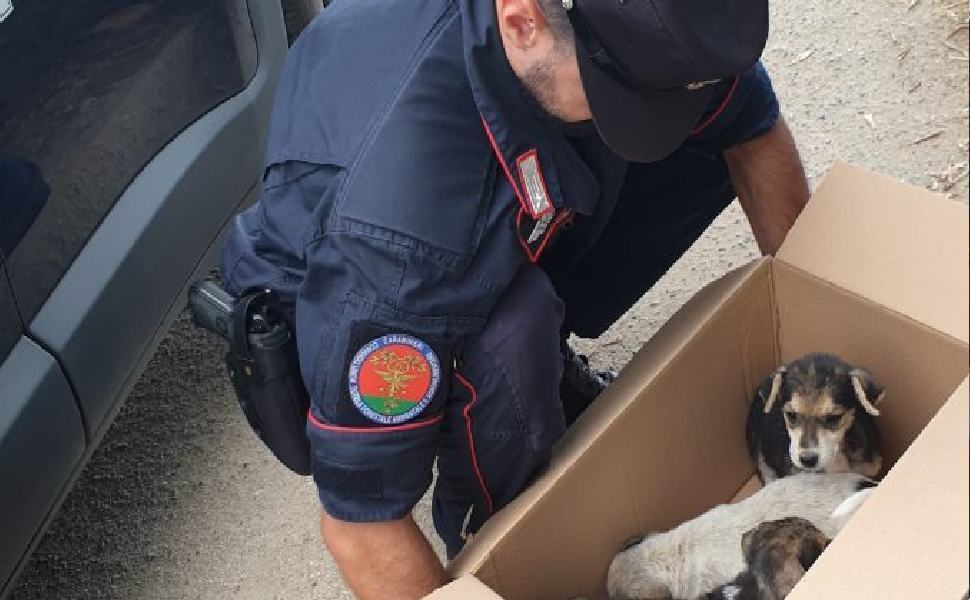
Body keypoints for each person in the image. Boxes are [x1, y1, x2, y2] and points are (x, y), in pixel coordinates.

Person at [219, 0, 810, 597]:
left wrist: (812, 330)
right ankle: (497, 530)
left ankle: (545, 353)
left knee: (687, 141)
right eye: (621, 93)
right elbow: (360, 525)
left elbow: (748, 124)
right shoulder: (398, 243)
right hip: (338, 292)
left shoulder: (628, 32)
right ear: (521, 20)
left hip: (492, 163)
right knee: (512, 340)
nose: (649, 113)